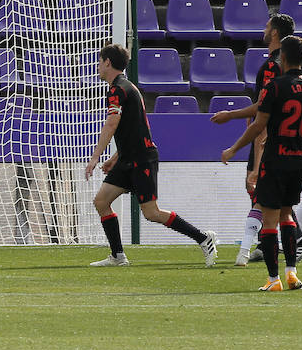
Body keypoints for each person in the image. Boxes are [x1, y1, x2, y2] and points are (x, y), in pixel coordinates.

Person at [220, 36, 302, 290]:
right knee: (287, 215)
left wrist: (234, 148)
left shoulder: (275, 86)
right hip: (300, 160)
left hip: (276, 157)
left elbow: (258, 124)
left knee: (269, 220)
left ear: (282, 58)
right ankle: (291, 273)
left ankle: (273, 279)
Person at [84, 44, 218, 267]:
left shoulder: (118, 89)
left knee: (151, 213)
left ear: (107, 62)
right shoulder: (128, 88)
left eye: (99, 62)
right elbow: (134, 129)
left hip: (141, 159)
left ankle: (203, 238)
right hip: (128, 158)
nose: (98, 66)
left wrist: (95, 157)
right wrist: (115, 158)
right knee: (101, 201)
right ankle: (118, 256)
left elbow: (112, 123)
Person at [211, 14, 302, 265]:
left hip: (271, 140)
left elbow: (264, 106)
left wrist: (231, 116)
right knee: (269, 196)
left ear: (275, 33)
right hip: (293, 146)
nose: (264, 30)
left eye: (268, 26)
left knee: (262, 190)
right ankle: (268, 243)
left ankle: (292, 241)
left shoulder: (273, 66)